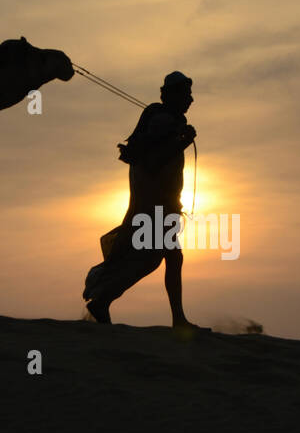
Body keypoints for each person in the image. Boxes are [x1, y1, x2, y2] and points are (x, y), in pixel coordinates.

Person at [83, 71, 208, 333]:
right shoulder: (162, 122)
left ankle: (105, 301)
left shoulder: (164, 121)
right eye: (186, 94)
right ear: (172, 95)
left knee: (161, 258)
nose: (191, 100)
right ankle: (174, 320)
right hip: (155, 207)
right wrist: (183, 142)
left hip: (157, 205)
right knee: (158, 259)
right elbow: (152, 163)